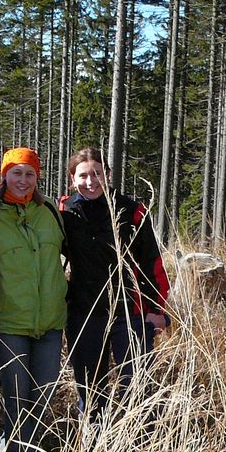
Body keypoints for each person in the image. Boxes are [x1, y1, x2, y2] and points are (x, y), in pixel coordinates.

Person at [61, 147, 169, 434]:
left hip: (129, 312)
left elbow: (152, 263)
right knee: (90, 388)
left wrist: (156, 310)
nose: (90, 181)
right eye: (83, 175)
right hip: (84, 312)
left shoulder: (131, 210)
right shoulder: (65, 211)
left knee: (136, 387)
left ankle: (138, 451)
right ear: (73, 179)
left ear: (107, 175)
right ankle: (95, 450)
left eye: (97, 173)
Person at [0, 147, 67, 452]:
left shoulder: (50, 212)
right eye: (16, 173)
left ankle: (7, 448)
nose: (22, 180)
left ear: (38, 177)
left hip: (50, 320)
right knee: (16, 397)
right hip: (9, 322)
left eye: (29, 173)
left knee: (41, 397)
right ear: (4, 175)